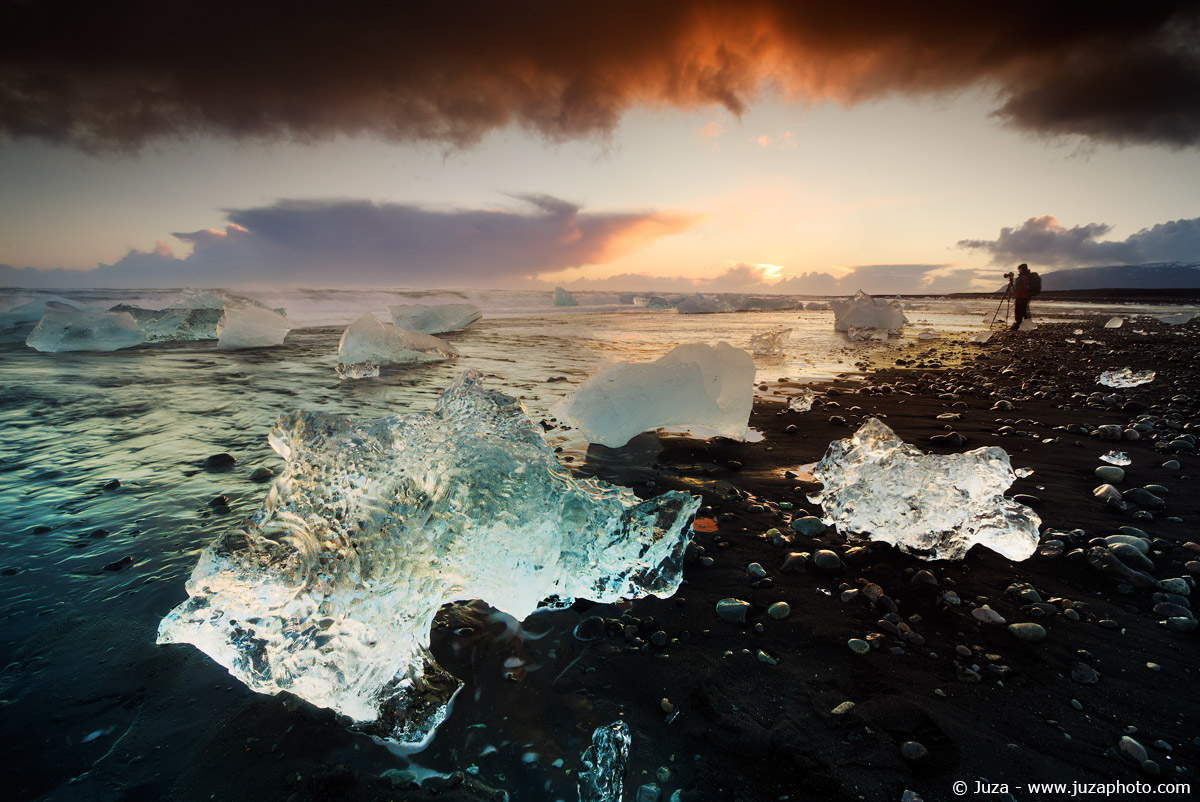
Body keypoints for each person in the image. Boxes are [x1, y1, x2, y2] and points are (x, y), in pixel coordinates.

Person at [1011, 263, 1032, 330]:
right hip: (1025, 296)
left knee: (1018, 311)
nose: (1019, 271)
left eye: (1019, 269)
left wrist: (1013, 282)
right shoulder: (1028, 276)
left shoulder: (1023, 278)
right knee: (1024, 311)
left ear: (1022, 269)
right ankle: (1027, 324)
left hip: (1021, 296)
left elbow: (1018, 287)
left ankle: (1018, 324)